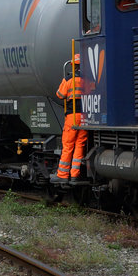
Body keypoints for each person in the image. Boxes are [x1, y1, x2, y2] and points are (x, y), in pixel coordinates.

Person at [55, 53, 88, 182]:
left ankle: (63, 175)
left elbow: (60, 94)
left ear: (73, 65)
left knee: (68, 145)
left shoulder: (68, 79)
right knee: (80, 145)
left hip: (72, 115)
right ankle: (75, 174)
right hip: (84, 117)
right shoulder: (88, 79)